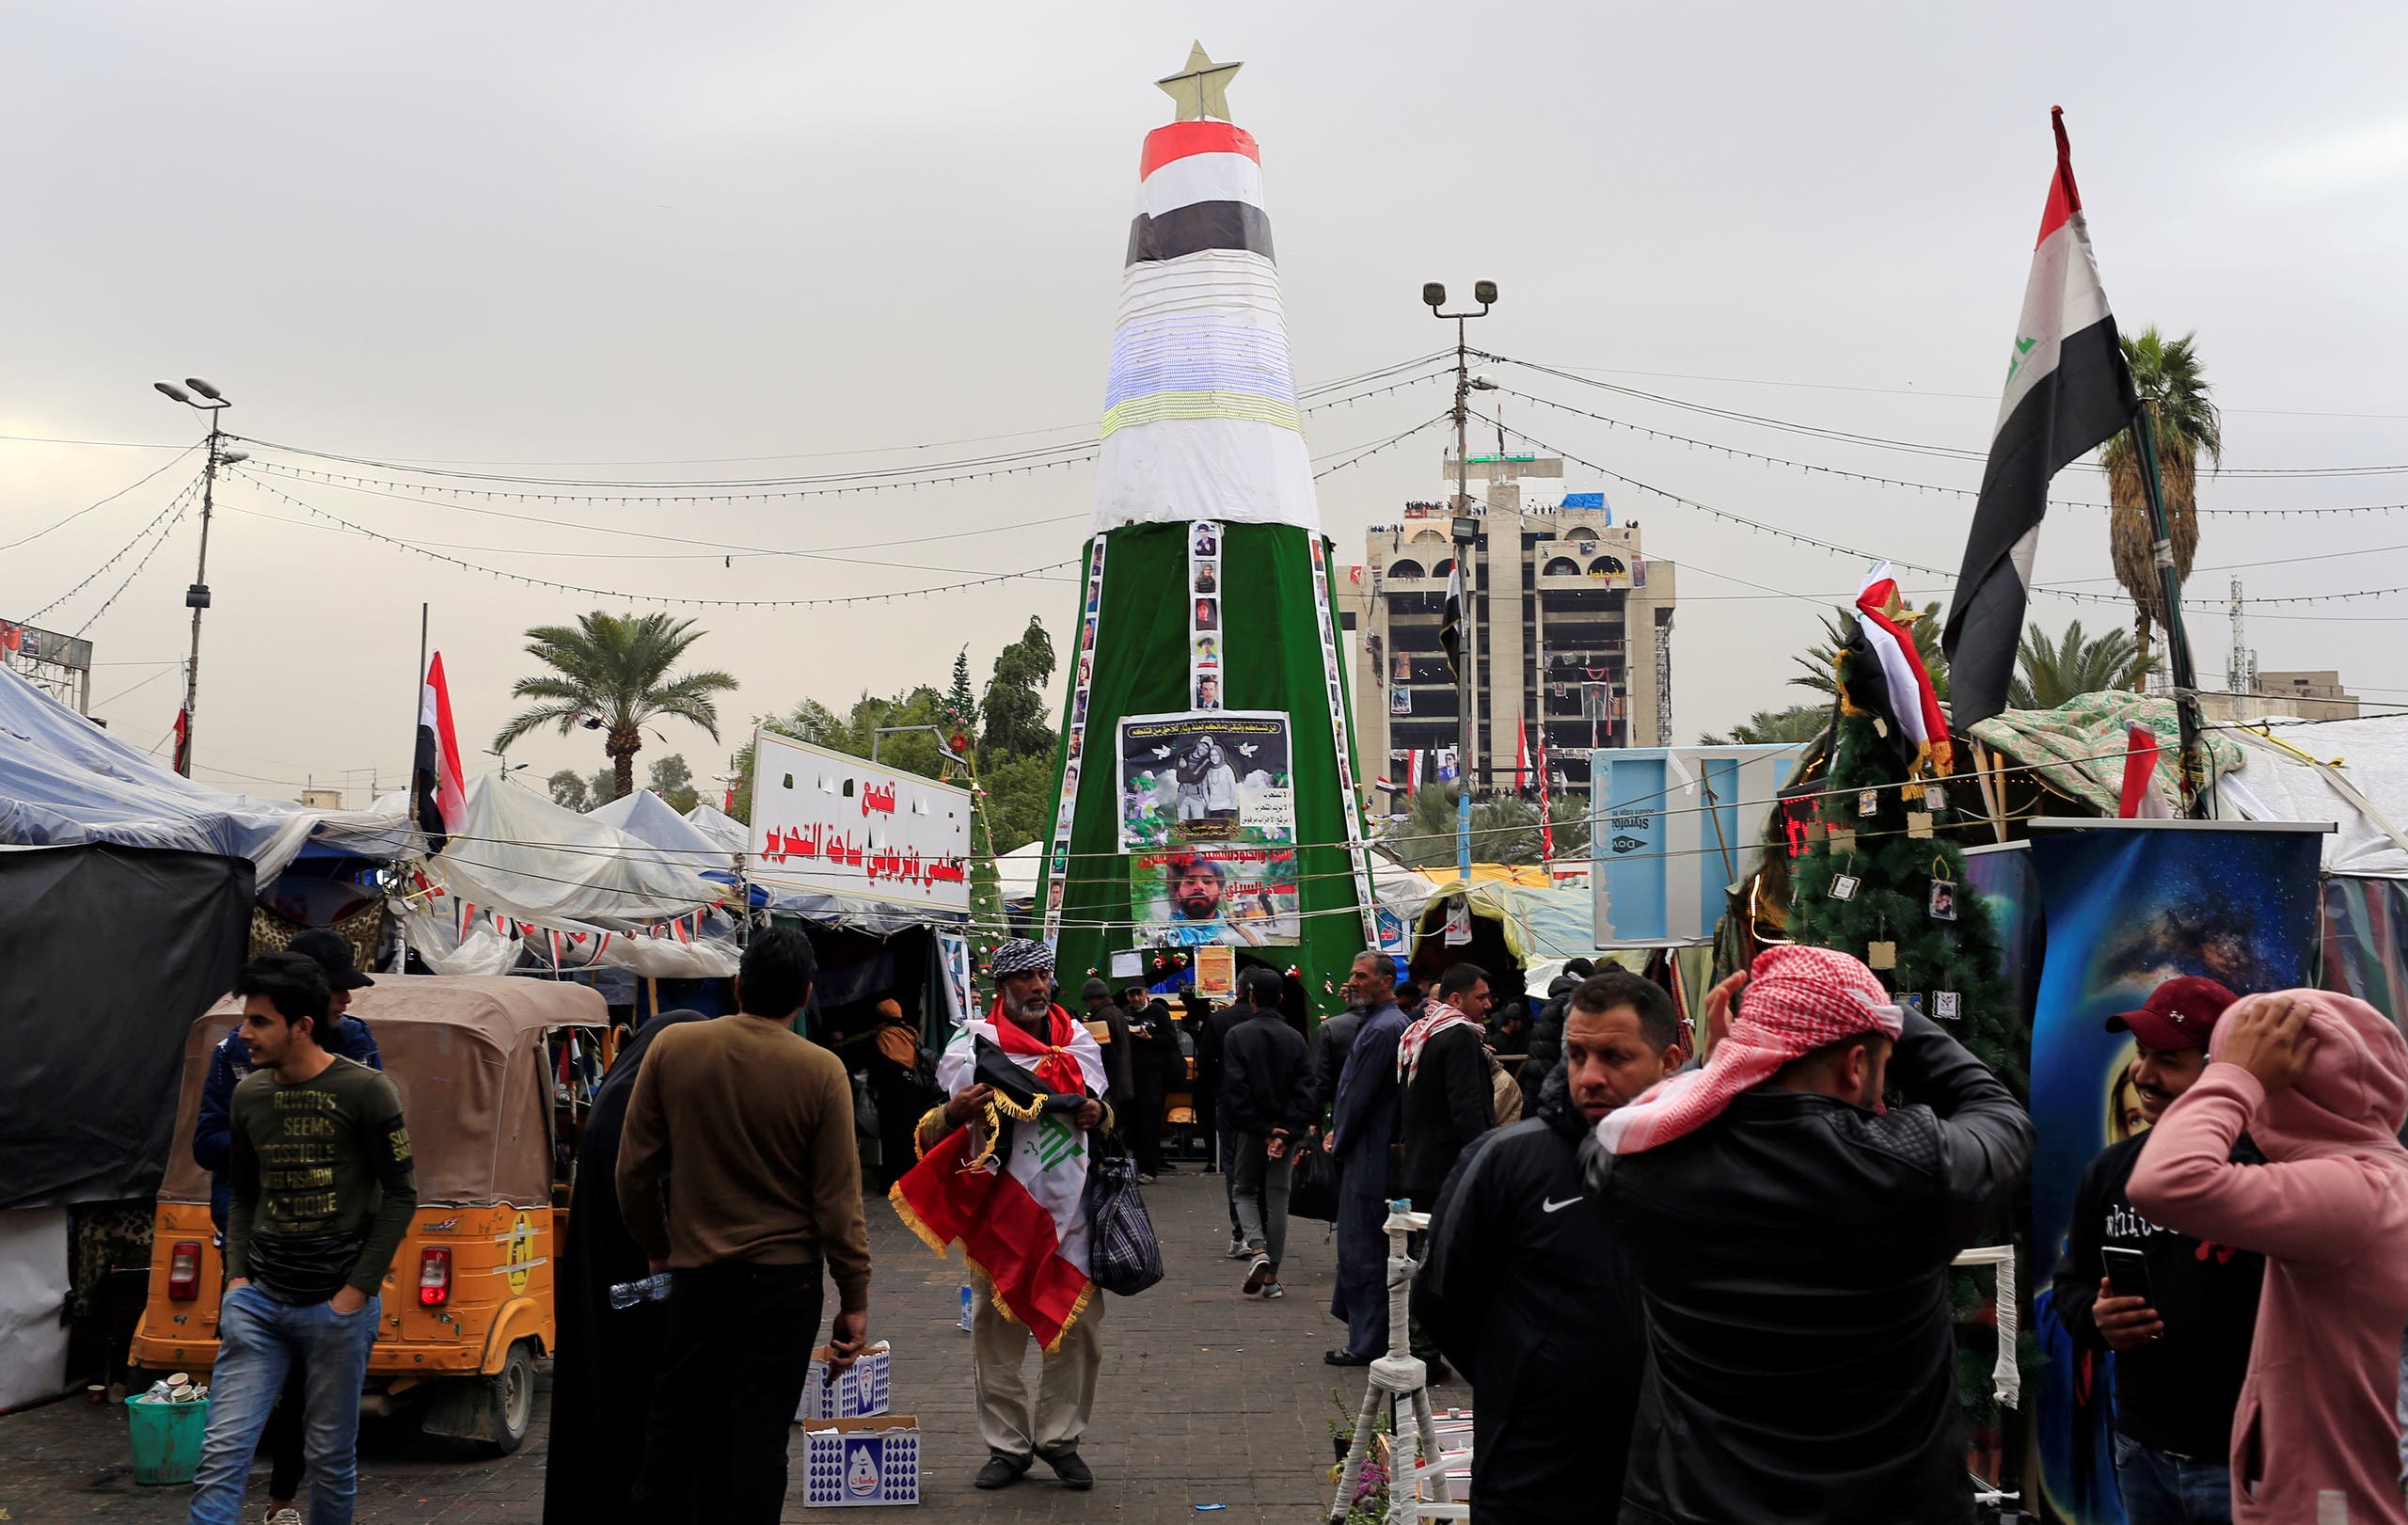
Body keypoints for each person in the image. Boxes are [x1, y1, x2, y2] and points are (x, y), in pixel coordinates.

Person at [1580, 944, 2034, 1525]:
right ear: (1855, 1066)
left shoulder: (1635, 1172)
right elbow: (1999, 1114)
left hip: (1693, 1504)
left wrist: (1712, 1068)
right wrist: (1897, 1019)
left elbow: (1616, 1134)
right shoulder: (1916, 1167)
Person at [617, 929, 872, 1523]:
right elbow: (839, 1204)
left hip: (696, 1279)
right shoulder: (821, 1071)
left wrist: (657, 1248)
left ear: (737, 985)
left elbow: (632, 1173)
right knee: (758, 1435)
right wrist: (854, 1299)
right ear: (806, 996)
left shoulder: (673, 1048)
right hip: (786, 1287)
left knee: (673, 1427)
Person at [2128, 990, 2408, 1525]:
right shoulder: (2380, 1179)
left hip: (2326, 1507)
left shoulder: (2351, 1193)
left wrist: (2235, 1076)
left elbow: (2165, 1182)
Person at [1415, 970, 1680, 1521]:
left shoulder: (1703, 1166)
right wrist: (1523, 1376)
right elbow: (1442, 1298)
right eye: (1579, 1055)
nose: (1591, 1076)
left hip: (1671, 1466)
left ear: (1670, 1063)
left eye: (1615, 1057)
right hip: (1534, 1465)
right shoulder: (1507, 1161)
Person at [186, 953, 416, 1525]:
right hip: (258, 1303)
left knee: (331, 1460)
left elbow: (402, 1194)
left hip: (335, 1309)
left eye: (260, 1021)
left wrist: (355, 1292)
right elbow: (242, 1193)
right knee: (220, 1456)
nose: (245, 1034)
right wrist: (238, 1280)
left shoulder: (368, 1091)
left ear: (302, 1026)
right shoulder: (250, 1096)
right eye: (246, 1020)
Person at [2048, 977, 2262, 1525]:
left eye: (2167, 1059)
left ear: (2221, 1073)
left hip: (2244, 1461)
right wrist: (2096, 1319)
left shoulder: (2272, 1172)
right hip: (2140, 1448)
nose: (2143, 1075)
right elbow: (2072, 1283)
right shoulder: (2110, 1170)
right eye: (2141, 1055)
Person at [909, 939, 1114, 1493]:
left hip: (1073, 1220)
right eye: (1025, 978)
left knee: (1078, 1336)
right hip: (1000, 1217)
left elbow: (1101, 1109)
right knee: (995, 1337)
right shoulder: (975, 1045)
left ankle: (1061, 1440)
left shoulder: (1077, 1040)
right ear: (1002, 987)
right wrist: (955, 1111)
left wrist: (1100, 1111)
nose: (1038, 987)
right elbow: (934, 1127)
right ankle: (1007, 1447)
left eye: (1044, 975)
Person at [543, 1009, 706, 1525]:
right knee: (639, 1410)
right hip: (636, 1286)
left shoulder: (620, 1092)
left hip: (608, 1285)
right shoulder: (636, 1105)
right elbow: (641, 1195)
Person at [1326, 952, 1406, 1366]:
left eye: (1362, 976)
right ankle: (1366, 1336)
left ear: (1385, 982)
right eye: (1353, 974)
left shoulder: (1384, 1028)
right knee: (1363, 1248)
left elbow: (1358, 1098)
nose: (1353, 982)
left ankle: (1367, 1342)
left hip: (1369, 1153)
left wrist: (1339, 1140)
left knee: (1364, 1251)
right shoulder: (1379, 1024)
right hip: (1365, 1147)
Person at [1220, 967, 1315, 1299]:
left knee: (1244, 1189)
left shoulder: (1237, 1036)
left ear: (1250, 997)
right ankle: (1272, 1275)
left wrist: (1262, 1129)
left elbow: (1235, 1089)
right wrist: (1286, 1132)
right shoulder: (1295, 1038)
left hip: (1251, 1131)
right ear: (1281, 998)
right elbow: (1306, 1090)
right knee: (1278, 1196)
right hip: (1285, 1132)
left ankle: (1257, 1249)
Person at [1396, 963, 1497, 1211]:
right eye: (1481, 997)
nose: (1488, 1005)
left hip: (1420, 1165)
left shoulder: (1421, 1032)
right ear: (1456, 999)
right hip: (1449, 1168)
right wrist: (1482, 1158)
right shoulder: (1459, 1036)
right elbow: (1466, 1107)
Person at [1196, 978, 1259, 1256]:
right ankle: (1262, 1233)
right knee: (1267, 1169)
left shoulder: (1221, 1020)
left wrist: (1213, 1089)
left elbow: (1205, 1060)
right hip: (1267, 1104)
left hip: (1229, 1099)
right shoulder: (1284, 1028)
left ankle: (1242, 1233)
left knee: (1234, 1165)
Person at [1518, 962, 1595, 1117]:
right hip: (1551, 1081)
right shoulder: (1571, 1001)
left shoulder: (1555, 1000)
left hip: (1538, 1079)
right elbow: (1568, 1048)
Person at [1124, 993, 1180, 1180]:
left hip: (1154, 1077)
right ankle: (1137, 1166)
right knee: (1134, 1123)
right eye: (1131, 994)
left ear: (1146, 993)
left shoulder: (1159, 1012)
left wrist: (1151, 1038)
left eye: (1138, 993)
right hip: (1132, 1076)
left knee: (1149, 1123)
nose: (1135, 998)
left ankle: (1149, 1168)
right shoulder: (1125, 1012)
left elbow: (1171, 1040)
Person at [1079, 978, 1137, 1115]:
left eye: (1087, 1001)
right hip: (1123, 1079)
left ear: (1094, 999)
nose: (1086, 1005)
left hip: (1110, 1081)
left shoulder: (1102, 1017)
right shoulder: (1117, 1012)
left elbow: (1100, 1052)